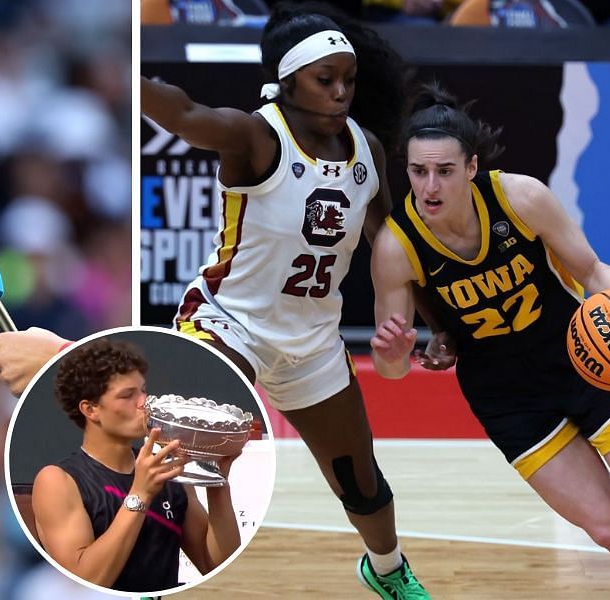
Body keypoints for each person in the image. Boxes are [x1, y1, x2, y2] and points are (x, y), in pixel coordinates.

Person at [140, 3, 433, 598]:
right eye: (326, 80)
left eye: (348, 80)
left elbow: (393, 247)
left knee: (361, 480)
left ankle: (388, 572)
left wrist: (437, 324)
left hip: (314, 343)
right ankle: (130, 555)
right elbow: (183, 110)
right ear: (290, 78)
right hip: (231, 324)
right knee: (190, 440)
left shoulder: (366, 150)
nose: (341, 92)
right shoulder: (255, 135)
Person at [370, 83, 610, 573]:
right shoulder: (395, 246)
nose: (430, 186)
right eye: (418, 171)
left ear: (471, 168)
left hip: (582, 358)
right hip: (506, 395)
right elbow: (391, 373)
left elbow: (593, 271)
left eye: (445, 171)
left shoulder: (520, 197)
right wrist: (394, 352)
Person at [30, 339, 241, 593]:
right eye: (128, 395)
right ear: (91, 409)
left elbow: (216, 567)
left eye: (143, 390)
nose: (144, 402)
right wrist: (140, 494)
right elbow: (86, 582)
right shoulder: (57, 481)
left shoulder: (166, 471)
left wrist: (216, 481)